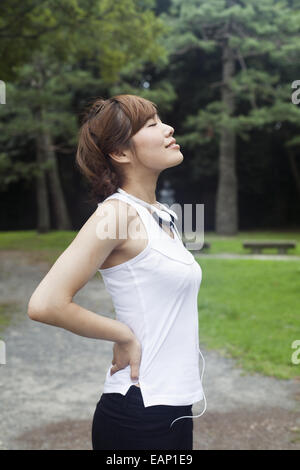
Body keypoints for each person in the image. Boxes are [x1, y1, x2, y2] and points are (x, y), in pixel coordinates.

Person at [27, 94, 206, 450]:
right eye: (152, 124)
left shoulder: (162, 215)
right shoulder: (116, 214)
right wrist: (122, 335)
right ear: (121, 153)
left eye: (160, 120)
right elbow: (46, 303)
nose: (169, 128)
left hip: (174, 407)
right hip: (139, 412)